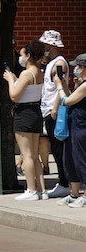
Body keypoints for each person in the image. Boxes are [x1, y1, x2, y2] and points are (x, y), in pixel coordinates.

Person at [4, 41, 47, 200]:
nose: (21, 58)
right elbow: (27, 90)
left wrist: (10, 80)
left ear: (28, 56)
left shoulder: (27, 73)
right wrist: (16, 79)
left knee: (27, 154)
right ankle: (42, 190)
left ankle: (31, 190)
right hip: (35, 110)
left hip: (24, 112)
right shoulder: (39, 72)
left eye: (22, 55)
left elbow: (14, 95)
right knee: (34, 155)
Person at [40, 29, 71, 199]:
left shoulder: (59, 63)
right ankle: (63, 181)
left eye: (45, 44)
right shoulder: (51, 62)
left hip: (55, 110)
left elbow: (62, 86)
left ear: (51, 45)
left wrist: (55, 108)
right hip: (48, 109)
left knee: (59, 149)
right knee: (55, 147)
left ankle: (65, 182)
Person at [53, 53, 86, 207]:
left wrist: (59, 86)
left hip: (81, 127)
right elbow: (70, 96)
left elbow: (67, 101)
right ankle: (74, 194)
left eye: (78, 66)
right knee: (70, 160)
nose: (75, 69)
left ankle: (84, 196)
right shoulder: (81, 84)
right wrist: (65, 86)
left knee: (81, 161)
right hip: (72, 126)